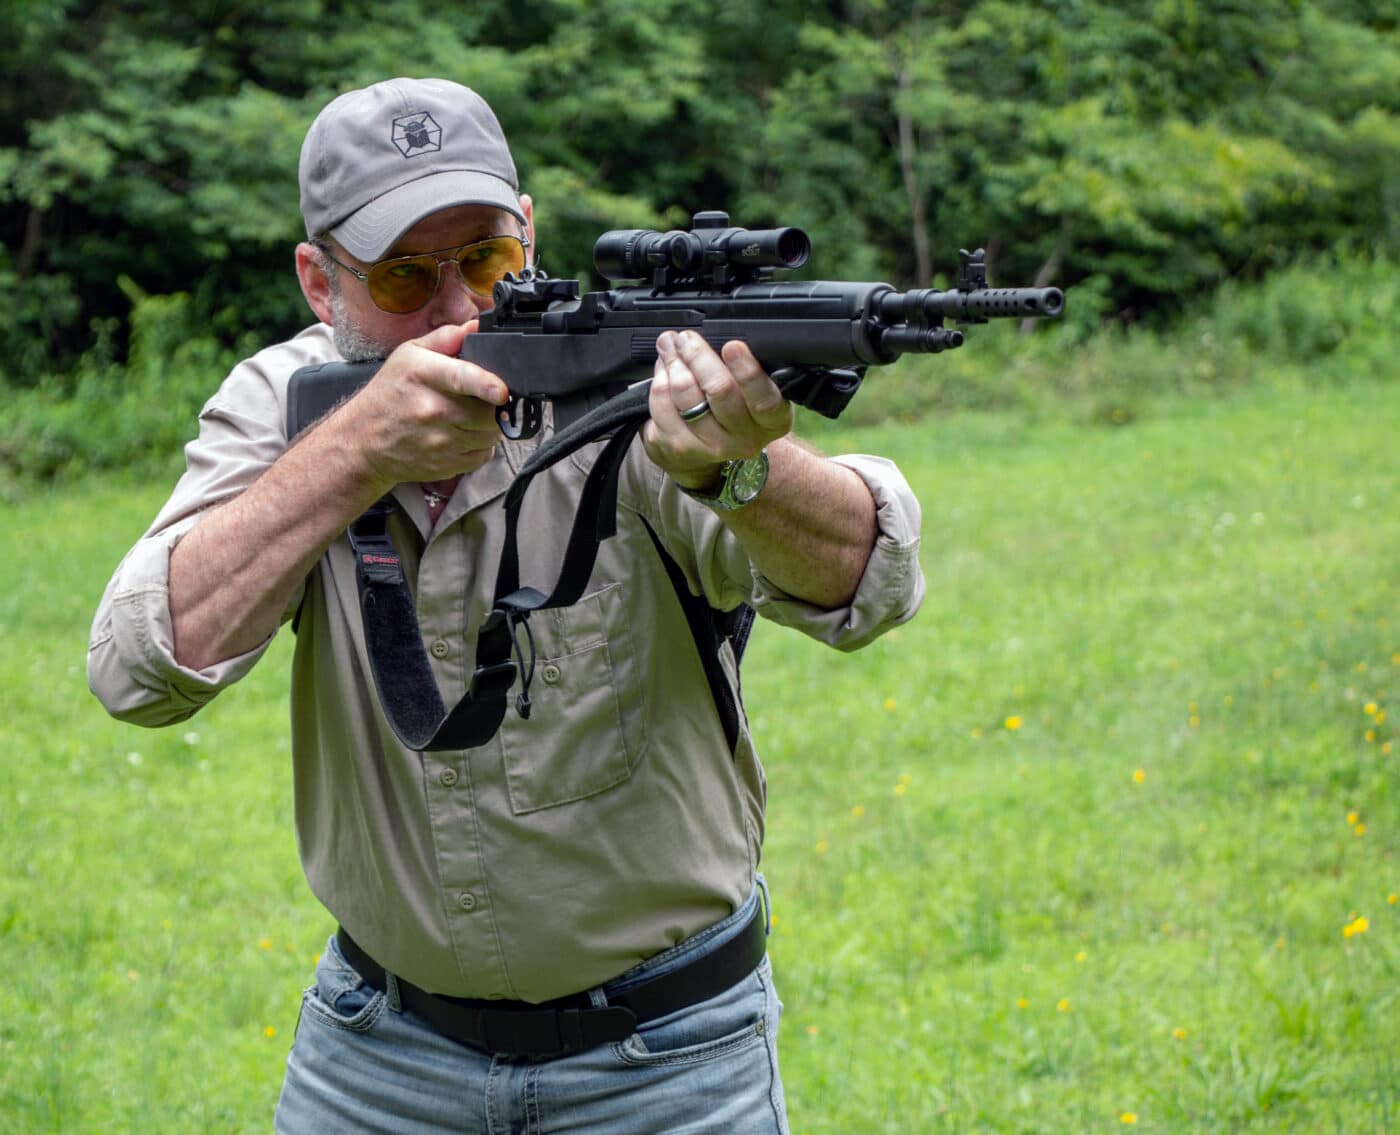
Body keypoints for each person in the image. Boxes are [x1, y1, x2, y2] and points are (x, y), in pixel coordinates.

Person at [88, 77, 924, 1134]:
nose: (454, 309)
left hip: (668, 1058)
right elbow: (136, 669)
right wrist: (353, 455)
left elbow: (870, 577)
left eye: (485, 260)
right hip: (376, 1050)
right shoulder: (285, 405)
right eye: (404, 274)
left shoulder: (633, 381)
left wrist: (739, 471)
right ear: (319, 282)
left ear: (529, 234)